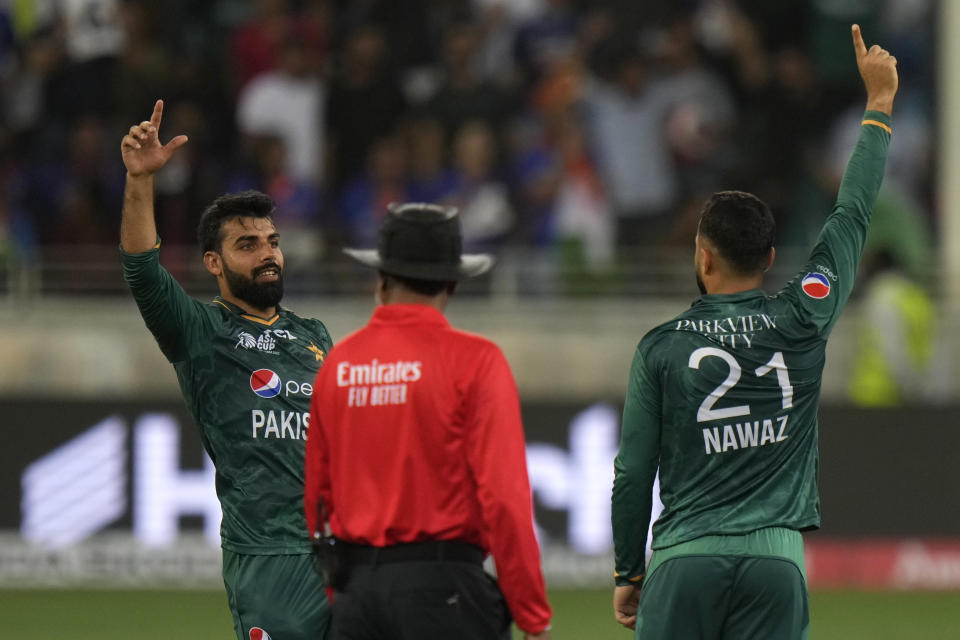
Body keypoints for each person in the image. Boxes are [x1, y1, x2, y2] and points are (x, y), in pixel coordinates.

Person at [611, 25, 897, 640]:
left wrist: (627, 571)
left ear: (704, 258)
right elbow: (851, 215)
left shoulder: (662, 347)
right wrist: (878, 106)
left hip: (684, 560)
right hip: (776, 566)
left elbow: (634, 471)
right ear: (769, 259)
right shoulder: (802, 317)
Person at [119, 100, 333, 640]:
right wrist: (141, 182)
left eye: (272, 242)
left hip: (343, 554)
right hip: (269, 559)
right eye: (247, 244)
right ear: (213, 263)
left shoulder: (316, 335)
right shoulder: (201, 332)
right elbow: (144, 273)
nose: (267, 254)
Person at [304, 203, 552, 640]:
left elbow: (316, 500)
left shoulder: (339, 363)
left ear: (381, 279)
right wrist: (531, 613)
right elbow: (504, 499)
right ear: (451, 283)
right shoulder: (476, 361)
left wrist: (340, 594)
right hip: (445, 592)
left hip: (357, 595)